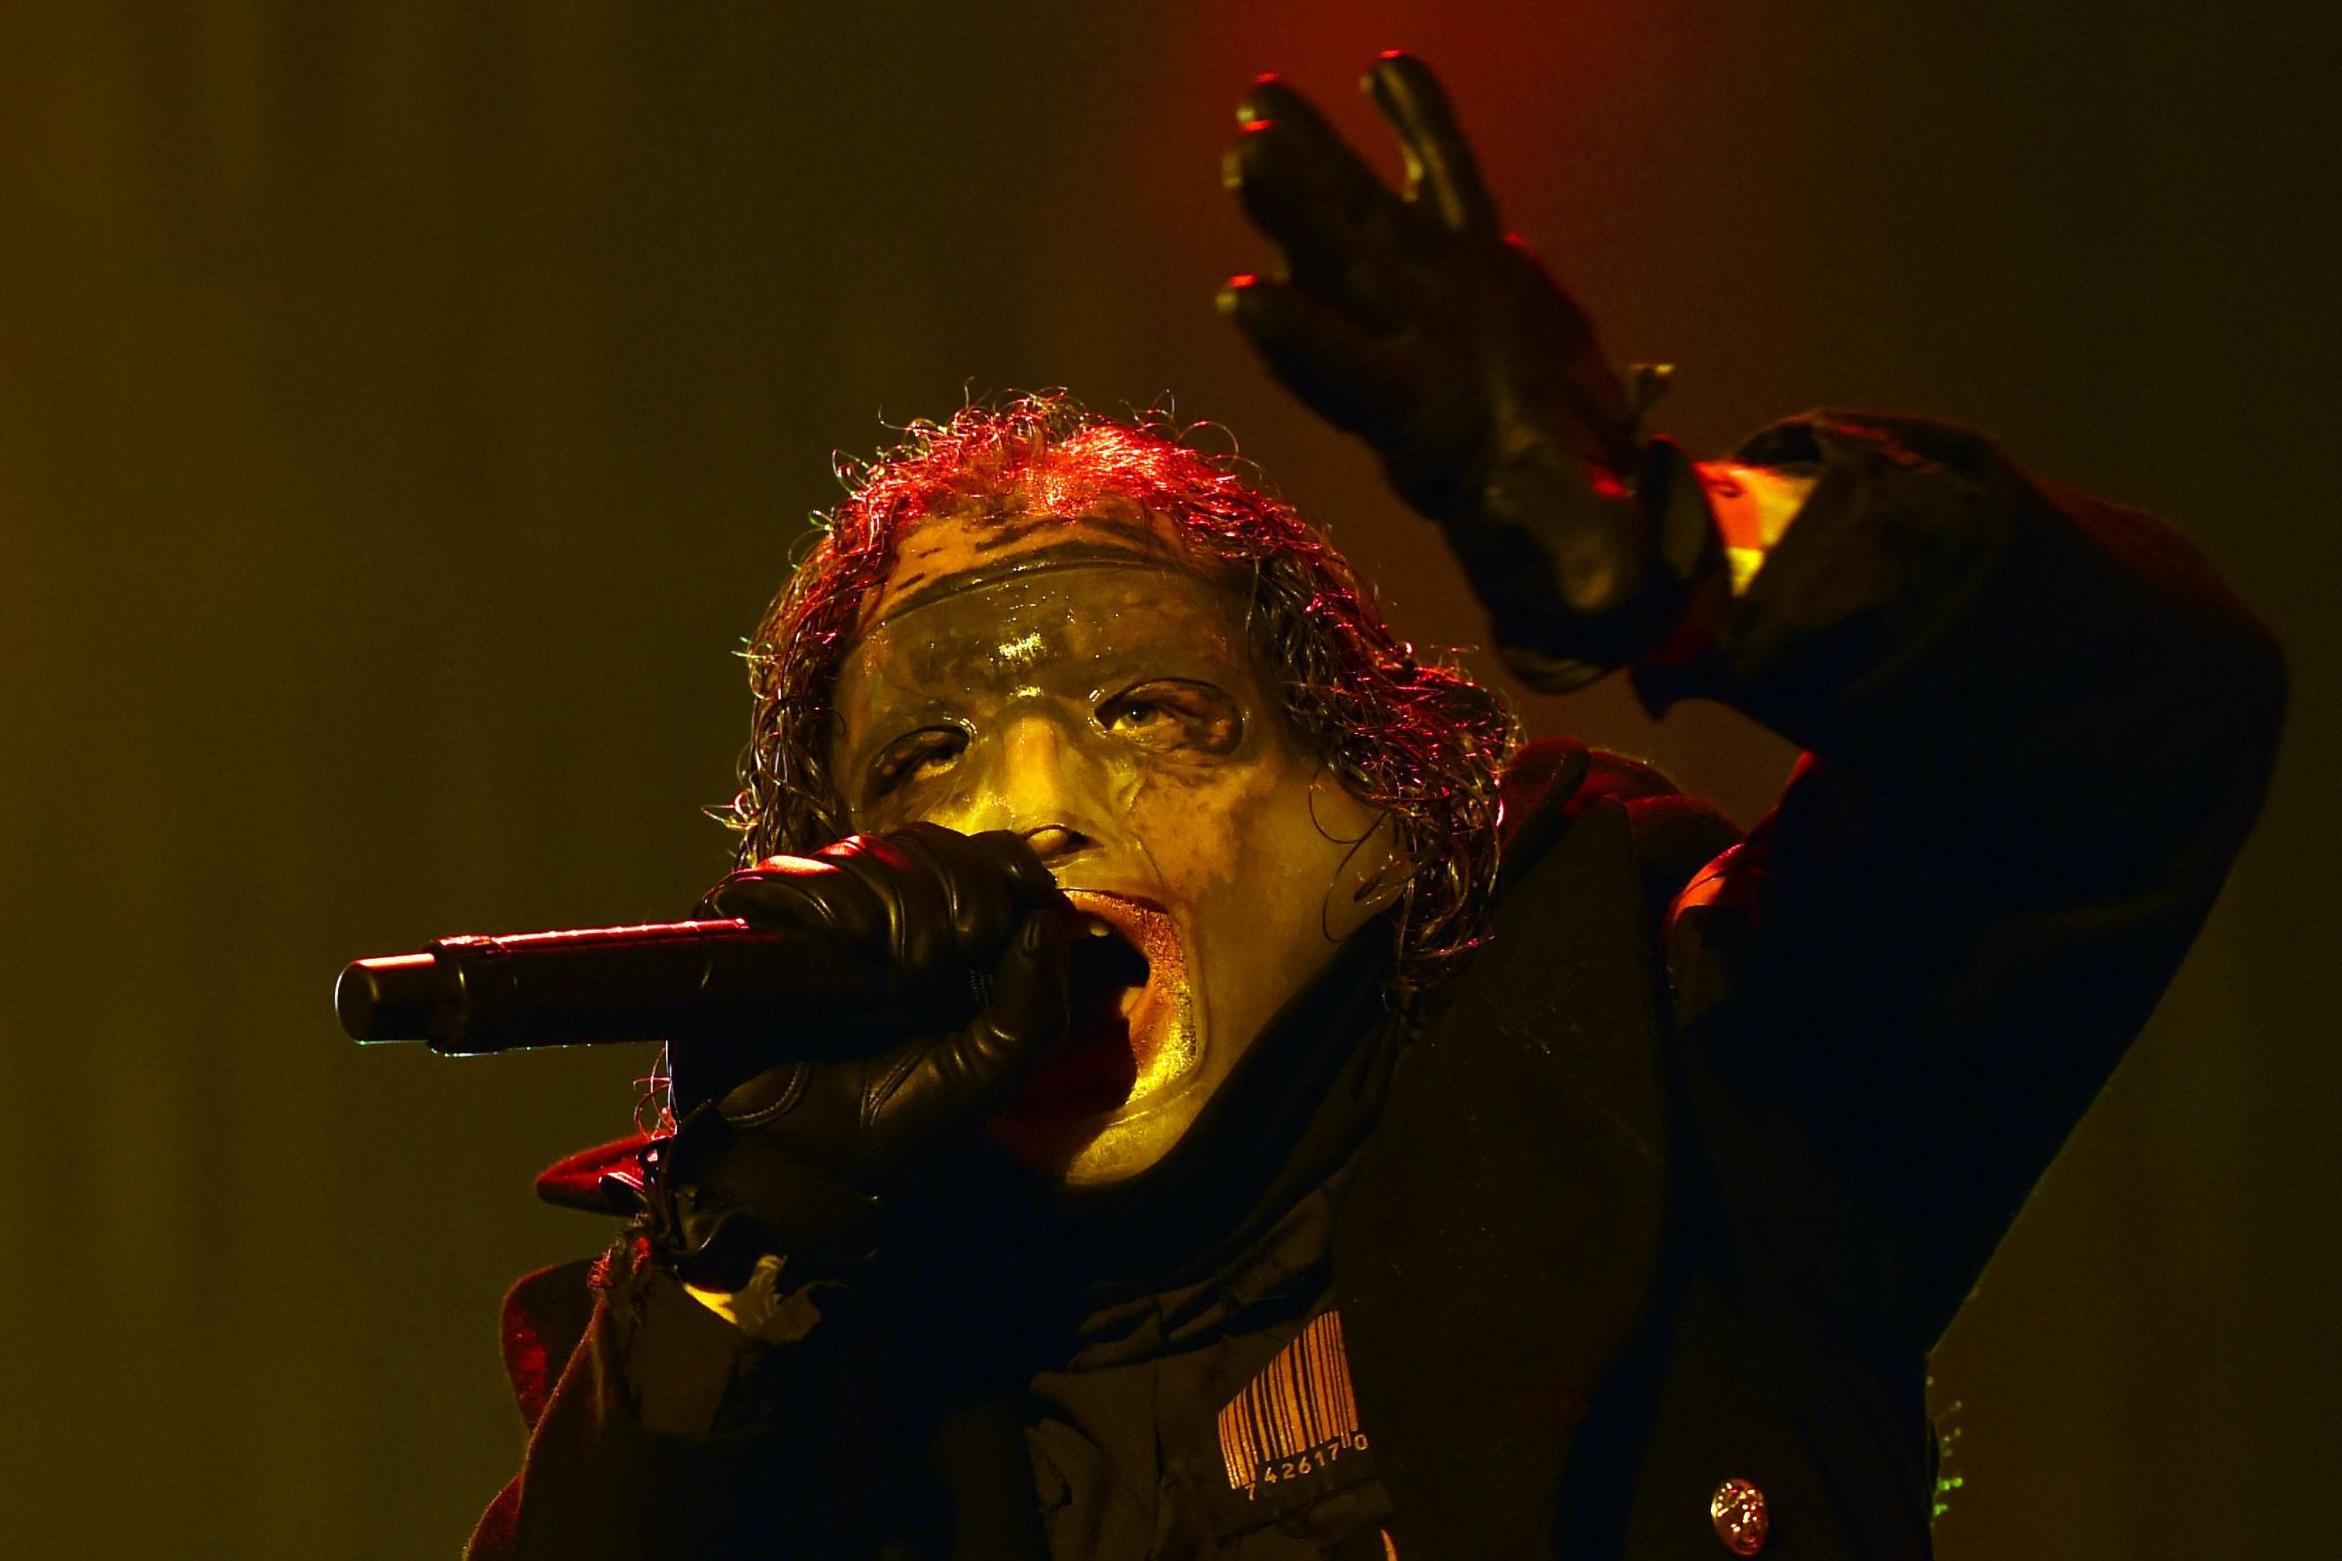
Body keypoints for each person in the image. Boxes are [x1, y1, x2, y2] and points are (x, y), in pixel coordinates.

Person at [462, 55, 2285, 1559]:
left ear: (1366, 801)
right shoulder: (809, 1361)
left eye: (1150, 711)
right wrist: (730, 1265)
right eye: (923, 762)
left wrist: (1685, 547)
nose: (1029, 807)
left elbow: (2125, 727)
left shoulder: (1673, 1080)